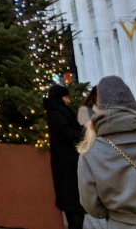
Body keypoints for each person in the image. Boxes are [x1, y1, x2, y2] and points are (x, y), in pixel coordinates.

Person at [78, 75, 136, 227]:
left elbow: (90, 204)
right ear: (134, 105)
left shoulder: (90, 151)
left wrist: (116, 214)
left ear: (100, 109)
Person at [45, 84, 85, 229]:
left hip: (68, 163)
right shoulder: (57, 114)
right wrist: (85, 133)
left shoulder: (59, 112)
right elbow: (70, 134)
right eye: (66, 97)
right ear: (60, 98)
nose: (68, 101)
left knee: (73, 201)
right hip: (67, 164)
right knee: (73, 202)